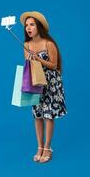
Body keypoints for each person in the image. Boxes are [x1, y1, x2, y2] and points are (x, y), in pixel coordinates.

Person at [20, 11, 67, 163]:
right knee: (37, 115)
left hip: (51, 84)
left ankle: (47, 147)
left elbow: (53, 65)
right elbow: (29, 65)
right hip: (36, 83)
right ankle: (39, 147)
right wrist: (31, 59)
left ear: (39, 27)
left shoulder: (49, 44)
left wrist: (38, 59)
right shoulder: (26, 44)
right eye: (27, 25)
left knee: (48, 116)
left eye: (32, 24)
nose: (28, 27)